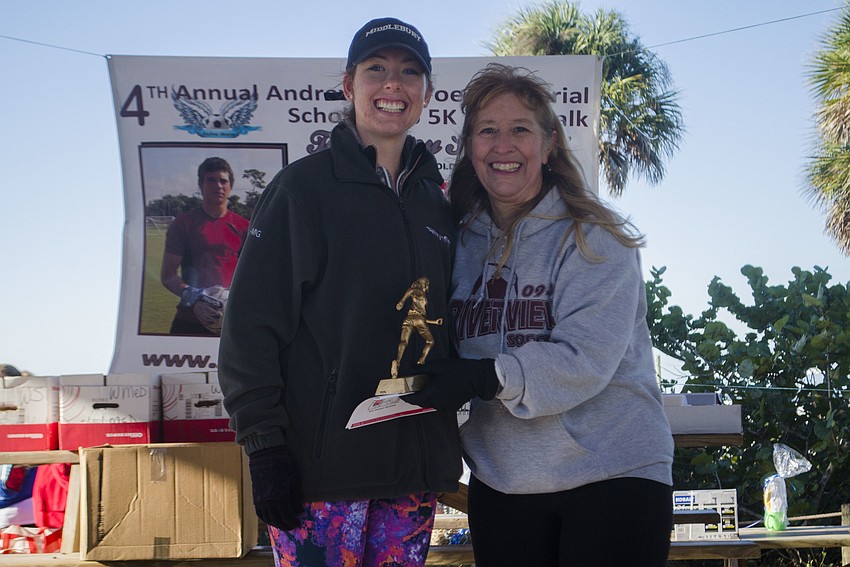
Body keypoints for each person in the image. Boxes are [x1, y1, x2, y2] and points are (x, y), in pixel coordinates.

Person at [405, 63, 675, 566]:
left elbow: (585, 358)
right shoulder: (456, 242)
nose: (503, 145)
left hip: (613, 472)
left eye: (520, 130)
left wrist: (487, 375)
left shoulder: (596, 236)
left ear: (548, 145)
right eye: (488, 130)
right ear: (470, 147)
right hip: (504, 480)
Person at [217, 17, 461, 567]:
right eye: (377, 69)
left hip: (411, 473)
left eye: (409, 72)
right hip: (321, 476)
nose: (392, 85)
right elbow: (249, 330)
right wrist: (264, 447)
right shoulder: (302, 190)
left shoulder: (436, 203)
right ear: (350, 86)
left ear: (427, 93)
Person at [160, 156, 249, 336]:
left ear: (230, 186)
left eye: (223, 181)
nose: (218, 186)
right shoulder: (183, 223)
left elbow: (256, 274)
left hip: (231, 321)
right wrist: (193, 297)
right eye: (211, 180)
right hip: (189, 318)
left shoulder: (244, 227)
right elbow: (168, 275)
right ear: (201, 184)